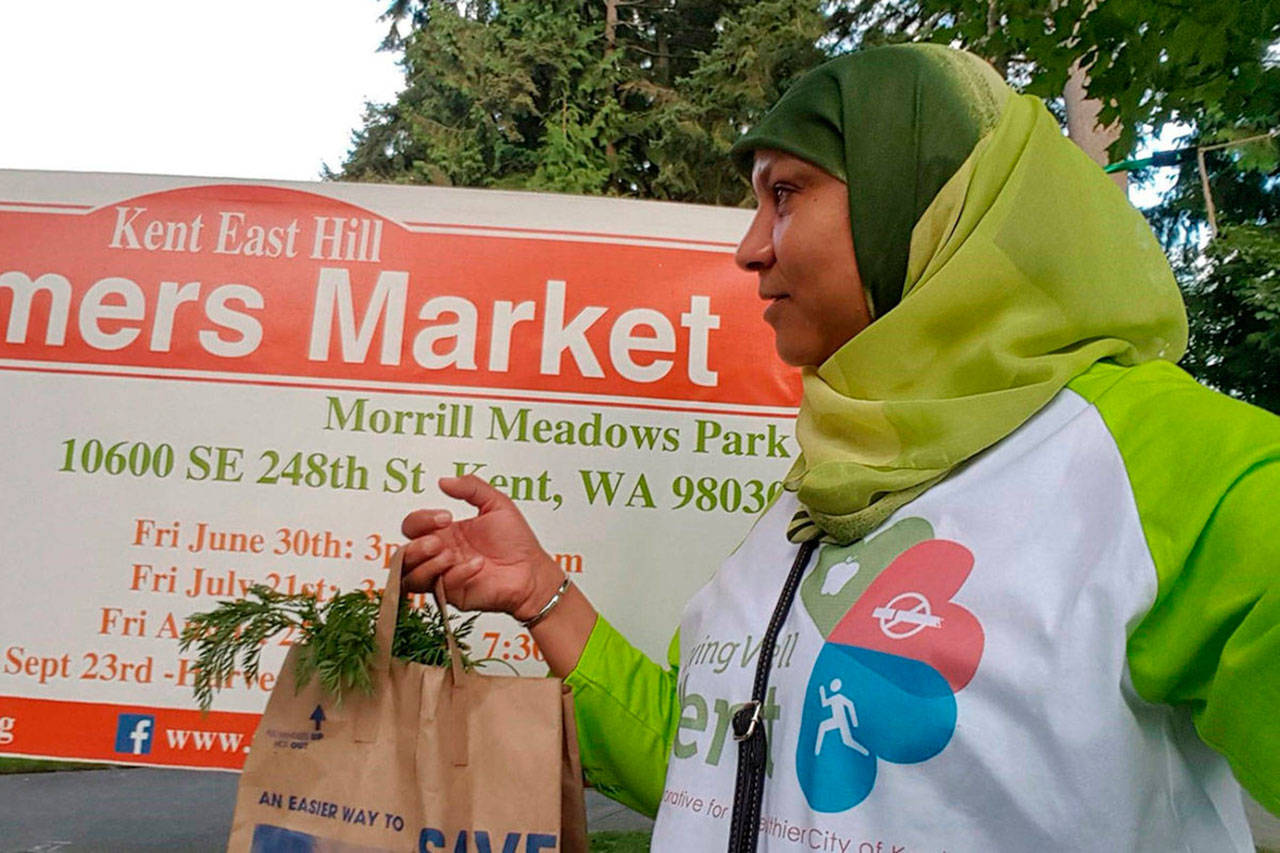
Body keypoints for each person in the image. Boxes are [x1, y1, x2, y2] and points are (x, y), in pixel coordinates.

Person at [399, 44, 1279, 851]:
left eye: (785, 193)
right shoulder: (816, 494)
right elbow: (711, 765)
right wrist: (542, 595)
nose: (749, 249)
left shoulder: (1178, 467)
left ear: (928, 195)